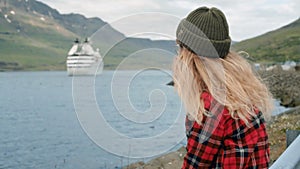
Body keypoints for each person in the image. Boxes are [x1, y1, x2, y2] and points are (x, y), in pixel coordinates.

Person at [172, 7, 274, 168]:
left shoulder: (210, 107)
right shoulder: (241, 94)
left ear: (189, 56)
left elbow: (194, 165)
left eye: (180, 47)